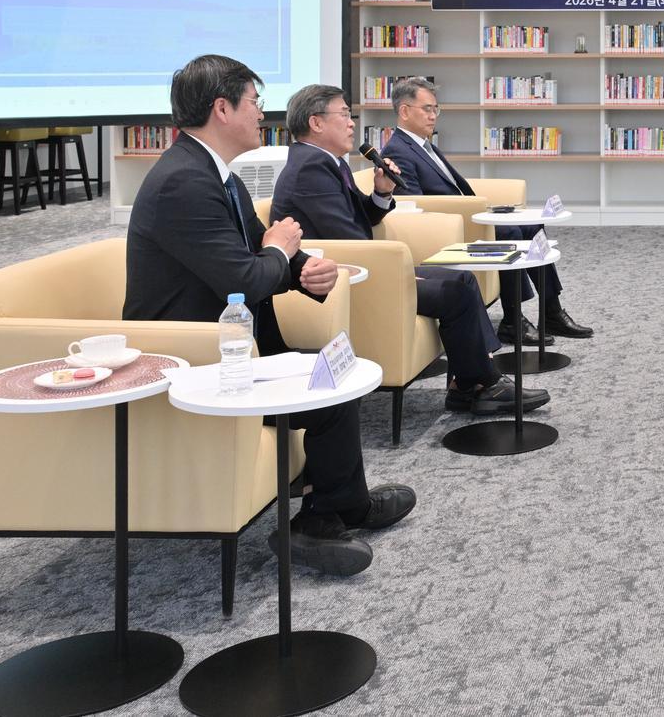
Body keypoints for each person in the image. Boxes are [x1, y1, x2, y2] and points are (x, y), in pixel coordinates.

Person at [124, 55, 414, 577]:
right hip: (199, 356)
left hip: (238, 340)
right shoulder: (183, 183)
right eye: (254, 102)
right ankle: (314, 525)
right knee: (326, 385)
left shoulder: (216, 174)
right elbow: (246, 275)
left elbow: (257, 249)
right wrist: (282, 252)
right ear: (221, 108)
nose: (263, 113)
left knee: (332, 375)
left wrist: (304, 268)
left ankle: (343, 505)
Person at [270, 84, 550, 417]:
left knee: (459, 280)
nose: (351, 123)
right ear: (316, 123)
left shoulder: (328, 163)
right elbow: (346, 237)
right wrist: (399, 266)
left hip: (367, 264)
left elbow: (364, 215)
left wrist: (382, 192)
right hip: (348, 276)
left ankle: (469, 385)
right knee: (456, 287)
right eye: (344, 114)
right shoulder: (310, 169)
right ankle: (482, 384)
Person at [382, 77, 593, 343]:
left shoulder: (423, 144)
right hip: (449, 229)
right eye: (427, 109)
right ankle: (512, 319)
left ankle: (551, 310)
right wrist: (472, 212)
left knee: (531, 226)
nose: (433, 115)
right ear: (404, 111)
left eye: (436, 108)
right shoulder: (398, 151)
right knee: (509, 231)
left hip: (467, 216)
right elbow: (414, 205)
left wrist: (483, 208)